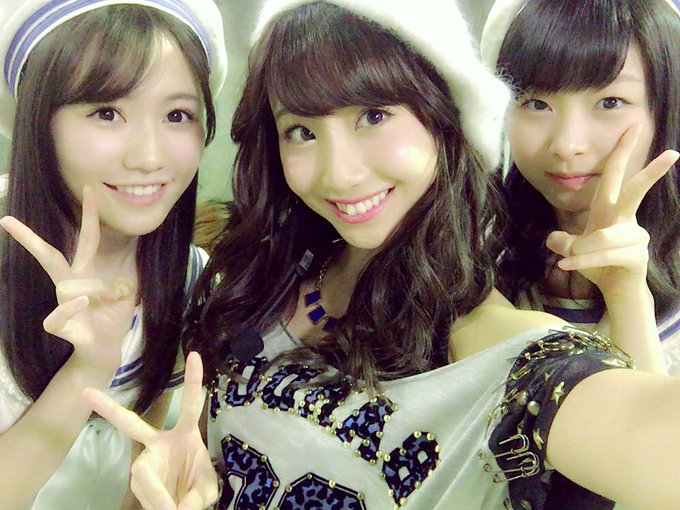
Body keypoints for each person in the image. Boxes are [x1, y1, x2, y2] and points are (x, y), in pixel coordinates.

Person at [87, 0, 680, 509]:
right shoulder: (257, 280)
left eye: (373, 116)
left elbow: (648, 443)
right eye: (302, 131)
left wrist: (626, 297)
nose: (338, 173)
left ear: (445, 118)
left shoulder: (503, 353)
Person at [0, 0, 227, 508]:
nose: (149, 157)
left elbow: (141, 456)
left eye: (177, 115)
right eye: (107, 112)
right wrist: (85, 371)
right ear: (40, 124)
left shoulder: (187, 280)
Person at [481, 0, 680, 375]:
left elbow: (644, 414)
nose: (567, 145)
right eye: (536, 104)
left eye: (610, 102)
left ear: (666, 108)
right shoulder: (474, 256)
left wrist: (626, 297)